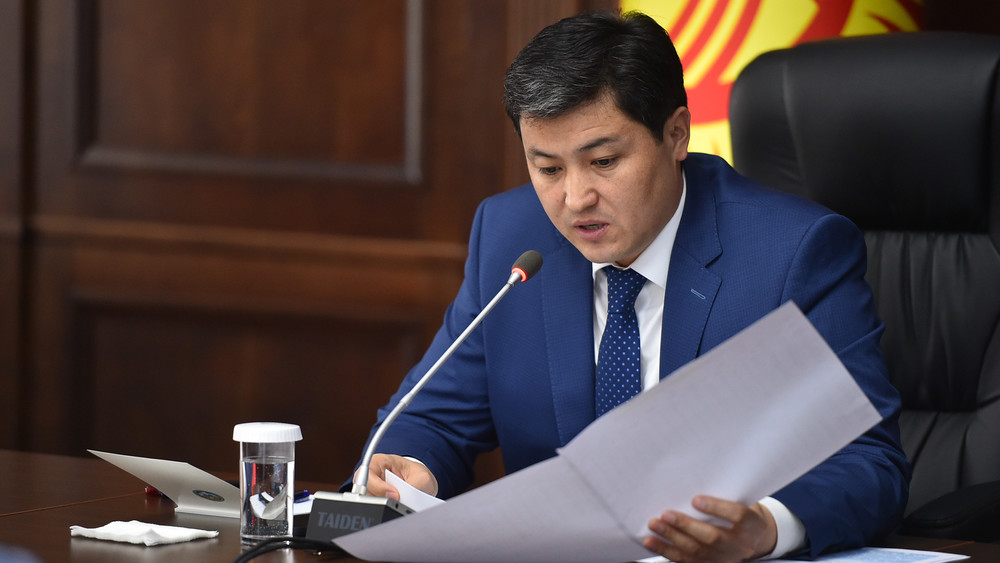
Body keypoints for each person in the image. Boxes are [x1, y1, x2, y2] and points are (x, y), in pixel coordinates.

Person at [349, 10, 910, 562]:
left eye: (604, 161)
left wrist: (764, 528)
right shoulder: (511, 241)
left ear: (676, 134)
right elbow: (429, 419)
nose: (576, 199)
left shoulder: (792, 252)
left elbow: (870, 462)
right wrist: (410, 469)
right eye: (548, 169)